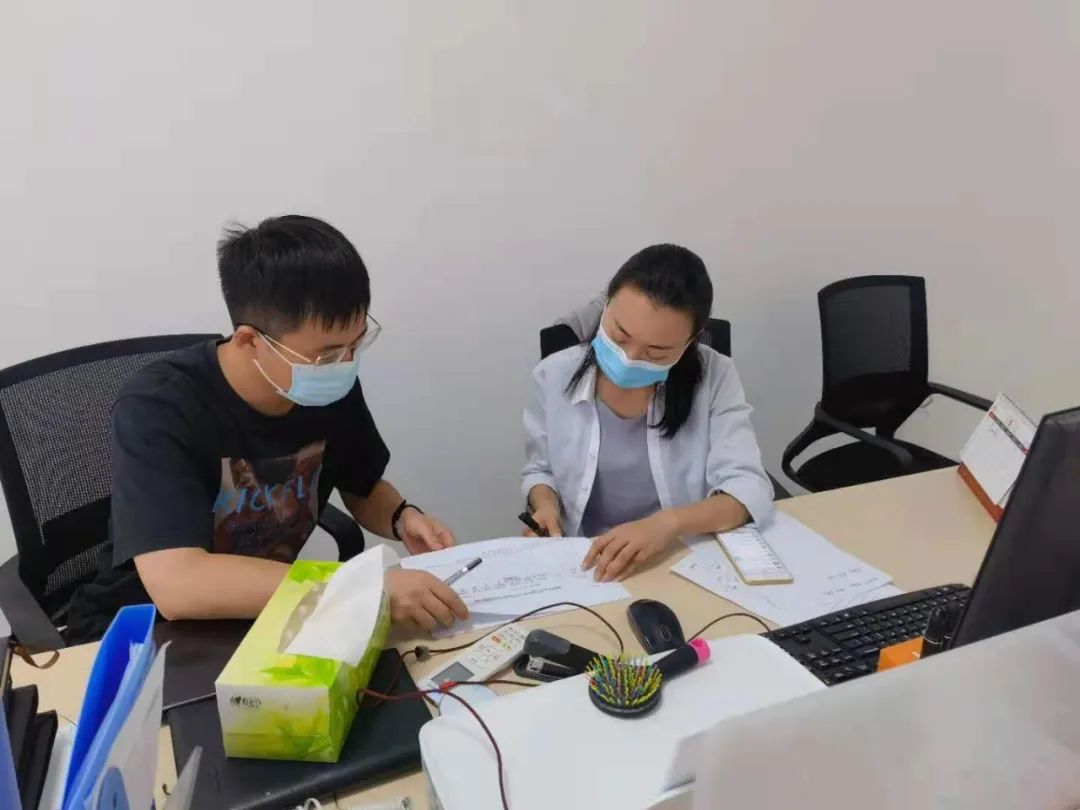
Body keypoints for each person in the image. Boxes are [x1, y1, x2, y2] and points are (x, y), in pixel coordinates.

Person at [66, 215, 468, 643]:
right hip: (152, 632)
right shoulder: (159, 406)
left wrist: (403, 517)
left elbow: (363, 486)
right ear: (249, 341)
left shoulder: (329, 381)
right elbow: (178, 584)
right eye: (329, 354)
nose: (346, 363)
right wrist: (359, 587)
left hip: (270, 616)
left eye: (357, 343)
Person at [522, 244, 774, 582]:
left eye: (656, 353)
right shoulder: (553, 375)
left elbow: (747, 488)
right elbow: (540, 470)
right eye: (620, 336)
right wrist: (546, 505)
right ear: (606, 305)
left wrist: (666, 525)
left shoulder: (715, 376)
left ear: (689, 343)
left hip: (677, 558)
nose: (629, 359)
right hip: (587, 562)